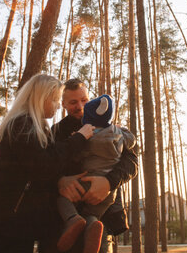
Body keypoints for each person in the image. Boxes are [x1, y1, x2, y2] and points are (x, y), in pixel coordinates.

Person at [0, 74, 95, 253]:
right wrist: (78, 139)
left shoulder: (35, 126)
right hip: (8, 220)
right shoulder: (22, 125)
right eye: (56, 100)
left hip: (16, 218)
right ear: (42, 98)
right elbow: (43, 166)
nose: (58, 105)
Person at [52, 79, 138, 253]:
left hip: (103, 217)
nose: (80, 106)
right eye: (73, 102)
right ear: (63, 104)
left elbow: (132, 163)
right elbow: (44, 166)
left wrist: (108, 182)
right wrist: (59, 181)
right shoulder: (56, 132)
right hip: (62, 221)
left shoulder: (111, 129)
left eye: (84, 100)